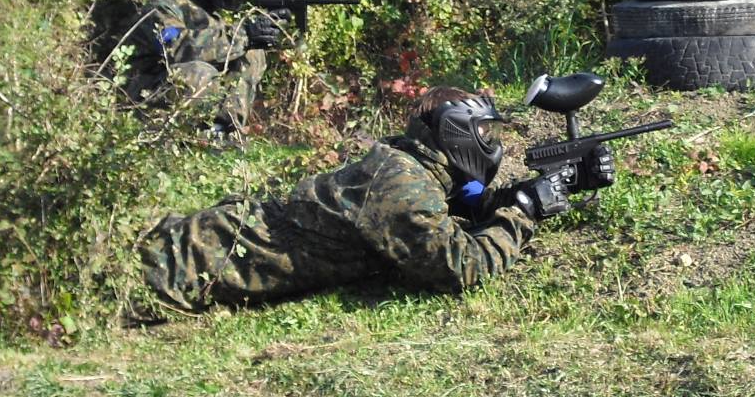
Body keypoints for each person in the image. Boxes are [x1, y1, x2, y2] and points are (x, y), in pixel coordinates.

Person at [133, 85, 616, 317]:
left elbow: (451, 213)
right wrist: (524, 209)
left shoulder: (409, 168)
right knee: (108, 291)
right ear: (454, 133)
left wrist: (558, 184)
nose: (492, 142)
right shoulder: (400, 184)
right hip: (184, 264)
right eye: (483, 132)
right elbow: (460, 266)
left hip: (208, 244)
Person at [124, 0, 286, 136]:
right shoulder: (165, 3)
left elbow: (226, 49)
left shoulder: (212, 16)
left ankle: (224, 130)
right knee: (199, 70)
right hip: (147, 93)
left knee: (252, 53)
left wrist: (269, 31)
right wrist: (244, 34)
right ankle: (182, 132)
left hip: (184, 96)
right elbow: (179, 48)